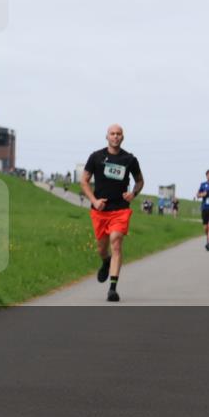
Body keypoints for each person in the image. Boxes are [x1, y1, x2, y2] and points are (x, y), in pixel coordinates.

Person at [81, 124, 144, 302]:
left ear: (122, 137)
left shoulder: (129, 159)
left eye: (118, 134)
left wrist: (133, 193)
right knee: (102, 248)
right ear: (107, 136)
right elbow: (84, 181)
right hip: (100, 210)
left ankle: (112, 289)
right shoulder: (96, 157)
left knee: (116, 241)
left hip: (120, 209)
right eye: (112, 134)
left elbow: (139, 181)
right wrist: (94, 201)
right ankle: (105, 261)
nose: (115, 136)